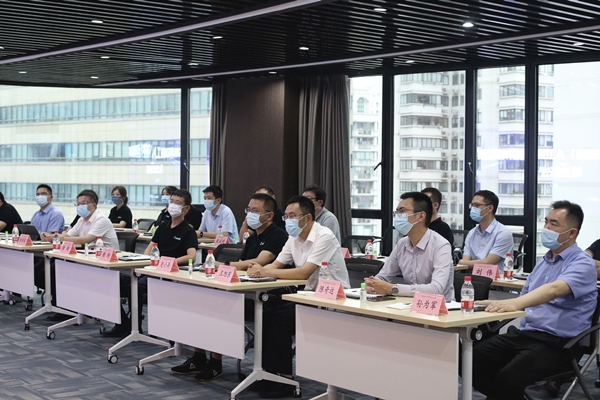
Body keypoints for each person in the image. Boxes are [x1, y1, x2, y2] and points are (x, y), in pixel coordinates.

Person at [470, 200, 597, 400]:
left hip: (559, 344)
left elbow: (554, 289)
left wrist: (514, 303)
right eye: (546, 221)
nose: (546, 228)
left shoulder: (582, 262)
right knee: (471, 360)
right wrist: (497, 304)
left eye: (553, 224)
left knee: (508, 379)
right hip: (526, 334)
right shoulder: (544, 261)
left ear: (572, 233)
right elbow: (526, 295)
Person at [170, 193, 288, 379]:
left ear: (269, 215)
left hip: (268, 295)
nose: (250, 214)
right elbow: (243, 265)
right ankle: (199, 357)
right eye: (248, 210)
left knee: (218, 304)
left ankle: (215, 362)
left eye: (255, 211)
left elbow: (259, 262)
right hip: (246, 290)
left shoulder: (278, 235)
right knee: (203, 301)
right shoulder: (252, 238)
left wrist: (223, 265)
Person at [246, 195, 350, 398]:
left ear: (308, 217)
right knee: (267, 315)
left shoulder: (324, 236)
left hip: (332, 300)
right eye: (285, 216)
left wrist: (265, 271)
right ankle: (269, 375)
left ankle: (285, 379)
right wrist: (257, 270)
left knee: (279, 320)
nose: (288, 220)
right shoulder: (293, 237)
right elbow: (276, 265)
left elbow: (304, 273)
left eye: (292, 216)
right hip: (307, 297)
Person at [103, 189, 198, 337]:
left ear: (186, 209)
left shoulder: (188, 231)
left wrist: (168, 262)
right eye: (172, 201)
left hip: (171, 273)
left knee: (137, 286)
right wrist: (145, 261)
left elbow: (191, 256)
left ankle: (136, 327)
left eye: (178, 203)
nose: (173, 205)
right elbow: (150, 248)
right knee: (115, 281)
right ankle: (124, 324)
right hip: (152, 269)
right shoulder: (163, 226)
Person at [40, 190, 119, 320]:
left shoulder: (101, 219)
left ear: (94, 205)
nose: (80, 206)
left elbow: (85, 239)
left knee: (59, 270)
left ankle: (69, 308)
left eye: (83, 203)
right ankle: (66, 307)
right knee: (54, 268)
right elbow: (68, 235)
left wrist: (59, 238)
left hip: (106, 261)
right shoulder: (82, 220)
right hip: (88, 257)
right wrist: (52, 236)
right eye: (78, 204)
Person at [365, 192, 454, 301]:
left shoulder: (441, 245)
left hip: (439, 307)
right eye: (396, 212)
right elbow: (383, 276)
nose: (397, 216)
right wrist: (372, 284)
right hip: (408, 304)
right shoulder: (401, 244)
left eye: (402, 211)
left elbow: (436, 289)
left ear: (421, 216)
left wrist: (393, 289)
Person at [459, 190, 513, 273]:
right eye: (472, 205)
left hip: (495, 279)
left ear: (490, 208)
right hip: (473, 277)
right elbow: (465, 263)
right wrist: (465, 263)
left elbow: (489, 262)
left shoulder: (503, 233)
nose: (473, 208)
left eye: (477, 205)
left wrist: (464, 263)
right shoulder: (471, 233)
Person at [31, 184, 65, 294]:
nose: (40, 197)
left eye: (43, 194)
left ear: (51, 197)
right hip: (36, 250)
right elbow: (31, 234)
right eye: (37, 194)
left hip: (51, 253)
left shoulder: (56, 214)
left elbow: (50, 236)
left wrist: (45, 236)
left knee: (36, 271)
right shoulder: (36, 214)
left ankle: (54, 294)